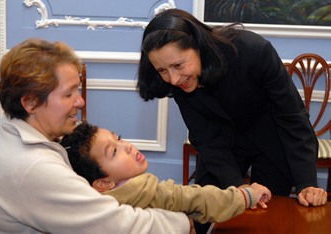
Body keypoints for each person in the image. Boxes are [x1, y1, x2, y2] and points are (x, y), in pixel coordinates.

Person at [137, 8, 328, 233]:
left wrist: (307, 183)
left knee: (265, 217)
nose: (174, 79)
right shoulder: (176, 81)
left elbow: (292, 117)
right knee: (203, 212)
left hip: (271, 140)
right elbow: (206, 138)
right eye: (162, 70)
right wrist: (240, 188)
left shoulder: (253, 50)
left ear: (199, 46)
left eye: (179, 65)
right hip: (220, 147)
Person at [0, 38, 194, 234]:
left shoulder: (17, 138)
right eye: (68, 94)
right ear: (30, 103)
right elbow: (118, 226)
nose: (80, 101)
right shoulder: (33, 167)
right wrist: (183, 222)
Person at [60, 121, 272, 224]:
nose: (127, 147)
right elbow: (201, 199)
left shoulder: (94, 205)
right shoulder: (149, 192)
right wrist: (248, 195)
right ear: (103, 183)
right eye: (114, 151)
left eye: (120, 138)